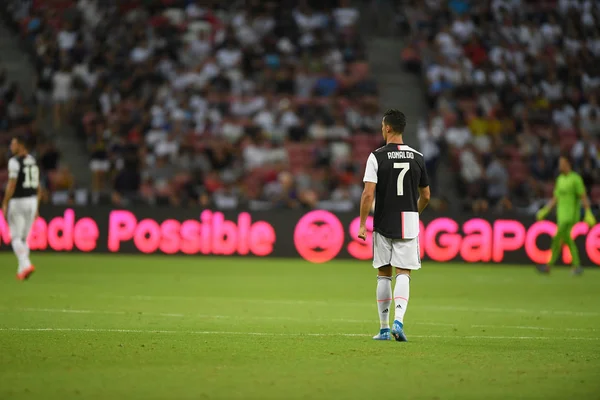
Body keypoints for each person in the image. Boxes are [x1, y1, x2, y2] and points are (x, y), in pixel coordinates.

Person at [358, 109, 431, 342]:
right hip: (408, 221)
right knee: (404, 272)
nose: (381, 129)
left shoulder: (376, 156)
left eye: (382, 125)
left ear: (388, 127)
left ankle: (383, 329)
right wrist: (413, 213)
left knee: (383, 274)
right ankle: (399, 321)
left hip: (383, 221)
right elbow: (427, 196)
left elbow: (368, 194)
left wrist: (362, 224)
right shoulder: (418, 156)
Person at [536, 155, 596, 275]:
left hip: (571, 215)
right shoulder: (560, 179)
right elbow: (556, 198)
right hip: (561, 215)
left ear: (568, 164)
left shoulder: (576, 179)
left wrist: (588, 211)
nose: (560, 166)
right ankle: (576, 266)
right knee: (567, 240)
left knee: (558, 238)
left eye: (562, 163)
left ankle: (549, 265)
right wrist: (546, 210)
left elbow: (583, 196)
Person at [2, 136, 42, 280]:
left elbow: (12, 184)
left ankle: (25, 264)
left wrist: (5, 202)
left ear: (21, 145)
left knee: (15, 238)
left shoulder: (14, 162)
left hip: (18, 201)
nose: (11, 146)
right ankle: (22, 271)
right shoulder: (33, 160)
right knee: (25, 239)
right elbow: (38, 186)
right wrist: (37, 205)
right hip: (32, 200)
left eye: (14, 144)